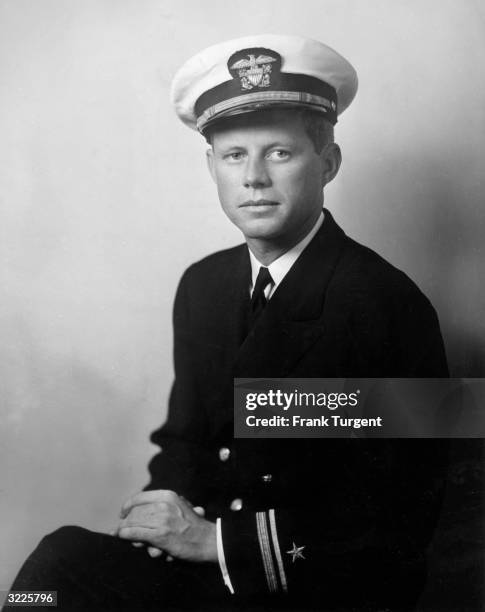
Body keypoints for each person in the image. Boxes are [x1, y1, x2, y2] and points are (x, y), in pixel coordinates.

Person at [6, 35, 449, 612]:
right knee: (50, 580)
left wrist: (214, 541)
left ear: (329, 163)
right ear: (210, 165)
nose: (254, 178)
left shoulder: (388, 303)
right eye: (235, 155)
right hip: (203, 568)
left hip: (314, 583)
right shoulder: (204, 286)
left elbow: (402, 514)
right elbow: (186, 439)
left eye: (280, 153)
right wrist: (159, 519)